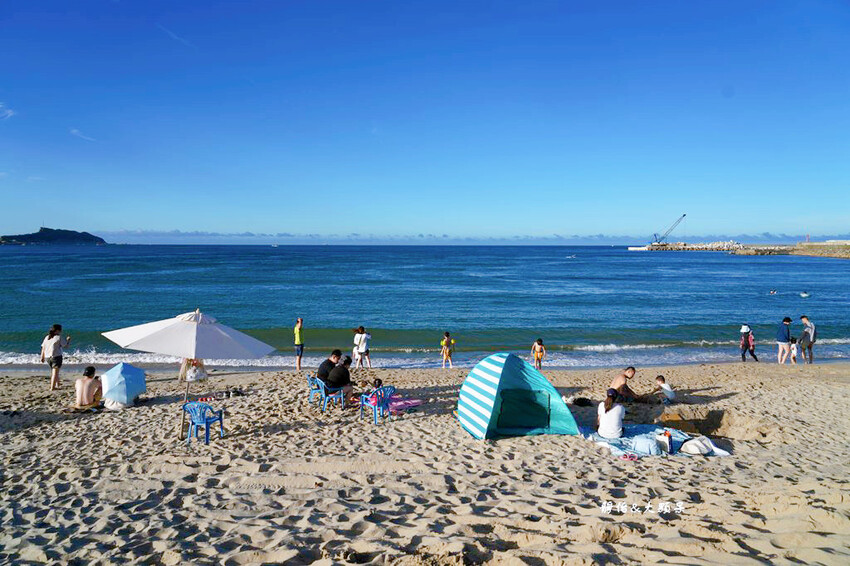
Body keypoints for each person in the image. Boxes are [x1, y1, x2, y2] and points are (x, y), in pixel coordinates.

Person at [41, 323, 71, 391]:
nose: (61, 331)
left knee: (55, 371)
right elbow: (66, 346)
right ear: (57, 330)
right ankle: (52, 387)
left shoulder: (47, 337)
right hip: (56, 356)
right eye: (60, 330)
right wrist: (68, 340)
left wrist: (42, 357)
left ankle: (57, 384)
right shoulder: (58, 337)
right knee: (55, 373)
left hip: (47, 357)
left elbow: (43, 347)